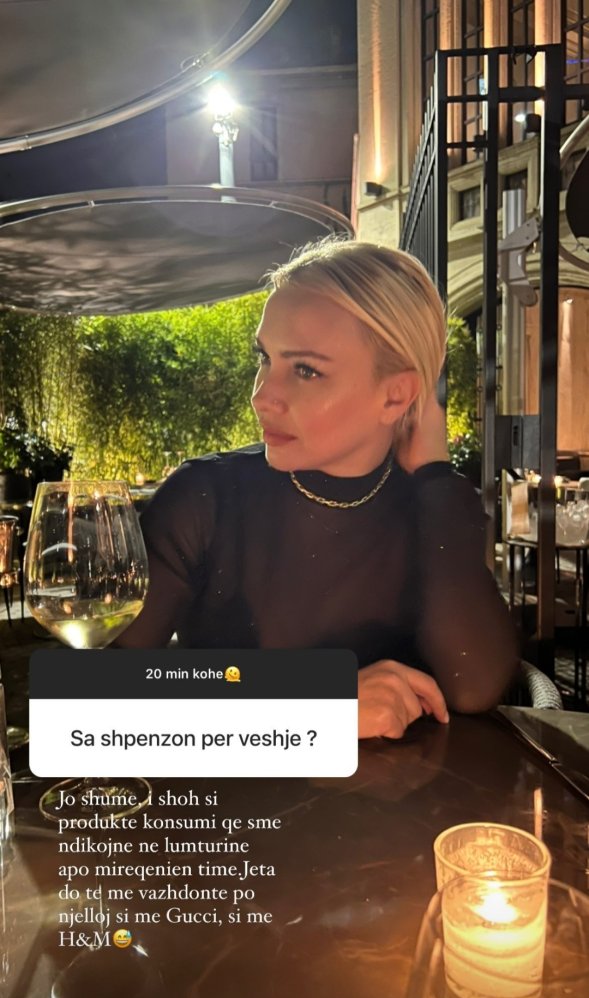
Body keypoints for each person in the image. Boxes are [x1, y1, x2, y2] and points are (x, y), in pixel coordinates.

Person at [117, 238, 518, 738]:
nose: (261, 396)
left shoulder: (433, 511)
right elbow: (87, 702)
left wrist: (436, 475)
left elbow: (475, 686)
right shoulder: (204, 498)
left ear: (396, 396)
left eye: (305, 370)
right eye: (265, 358)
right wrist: (315, 703)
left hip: (402, 792)